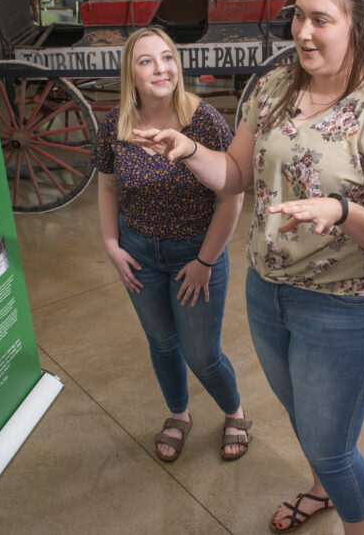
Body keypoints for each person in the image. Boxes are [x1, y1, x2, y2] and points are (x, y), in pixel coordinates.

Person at [134, 0, 364, 534]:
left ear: (357, 26)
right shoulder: (271, 88)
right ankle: (320, 490)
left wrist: (340, 210)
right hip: (268, 293)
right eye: (299, 16)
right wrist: (188, 147)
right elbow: (238, 173)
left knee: (333, 444)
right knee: (304, 418)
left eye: (321, 20)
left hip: (348, 303)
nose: (303, 32)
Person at [94, 27, 250, 463]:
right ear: (131, 73)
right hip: (139, 253)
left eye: (167, 58)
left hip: (195, 253)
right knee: (161, 342)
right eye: (146, 61)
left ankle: (234, 412)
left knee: (202, 353)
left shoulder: (204, 121)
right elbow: (107, 188)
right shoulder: (116, 125)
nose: (161, 69)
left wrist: (205, 260)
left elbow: (231, 197)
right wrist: (111, 242)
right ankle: (178, 415)